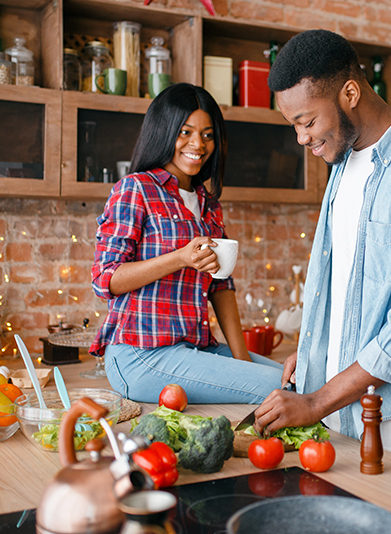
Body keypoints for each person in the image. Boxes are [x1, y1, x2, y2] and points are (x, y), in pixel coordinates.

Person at [253, 30, 391, 466]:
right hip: (340, 417)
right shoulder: (342, 161)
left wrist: (317, 403)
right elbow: (346, 284)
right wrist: (317, 345)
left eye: (307, 121)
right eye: (294, 125)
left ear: (350, 92)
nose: (301, 138)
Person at [89, 83, 282, 404]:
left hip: (193, 348)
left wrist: (242, 362)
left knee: (298, 379)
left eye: (208, 135)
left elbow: (222, 287)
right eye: (185, 132)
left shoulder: (209, 203)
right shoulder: (136, 190)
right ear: (164, 132)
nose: (198, 144)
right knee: (281, 389)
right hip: (140, 355)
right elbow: (105, 280)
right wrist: (180, 257)